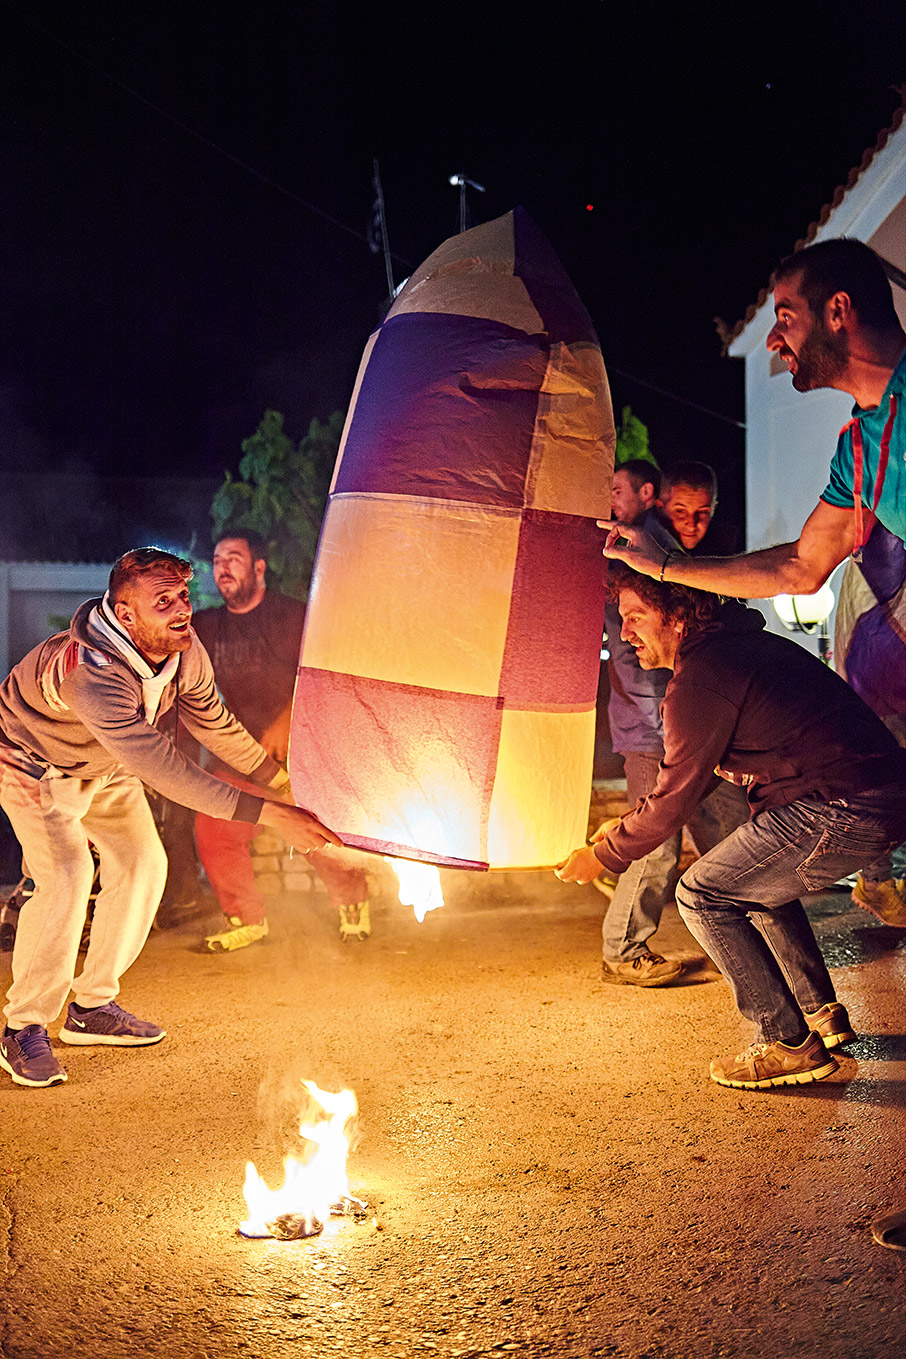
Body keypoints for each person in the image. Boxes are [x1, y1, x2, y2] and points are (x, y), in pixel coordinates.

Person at [600, 238, 906, 926]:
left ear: (837, 311)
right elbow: (799, 564)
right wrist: (670, 567)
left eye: (786, 316)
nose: (771, 338)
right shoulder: (858, 449)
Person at [0, 548, 341, 1089]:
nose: (182, 609)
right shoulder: (90, 672)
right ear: (126, 613)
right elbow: (165, 771)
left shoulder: (183, 649)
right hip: (34, 764)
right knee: (65, 876)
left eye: (183, 596)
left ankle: (91, 1008)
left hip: (106, 764)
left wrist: (281, 782)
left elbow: (214, 723)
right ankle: (23, 1027)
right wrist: (272, 815)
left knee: (142, 867)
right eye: (164, 602)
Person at [557, 565, 906, 1089]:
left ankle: (787, 1044)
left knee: (701, 894)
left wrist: (605, 856)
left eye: (636, 617)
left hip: (842, 805)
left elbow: (674, 798)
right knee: (752, 879)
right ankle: (819, 1014)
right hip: (871, 795)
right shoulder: (738, 650)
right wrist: (624, 827)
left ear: (677, 616)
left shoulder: (702, 678)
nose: (625, 633)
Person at [600, 460, 749, 986]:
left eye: (702, 514)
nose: (692, 523)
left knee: (732, 834)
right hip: (652, 730)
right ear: (660, 503)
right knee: (655, 842)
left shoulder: (686, 561)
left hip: (691, 728)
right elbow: (634, 658)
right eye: (681, 511)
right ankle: (622, 949)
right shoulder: (645, 556)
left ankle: (752, 930)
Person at [192, 530, 370, 951]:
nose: (223, 567)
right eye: (217, 560)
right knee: (214, 828)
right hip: (240, 753)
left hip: (300, 753)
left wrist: (287, 720)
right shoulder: (207, 625)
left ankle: (353, 903)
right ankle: (246, 919)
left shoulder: (294, 617)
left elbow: (326, 672)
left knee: (316, 831)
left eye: (233, 558)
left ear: (258, 567)